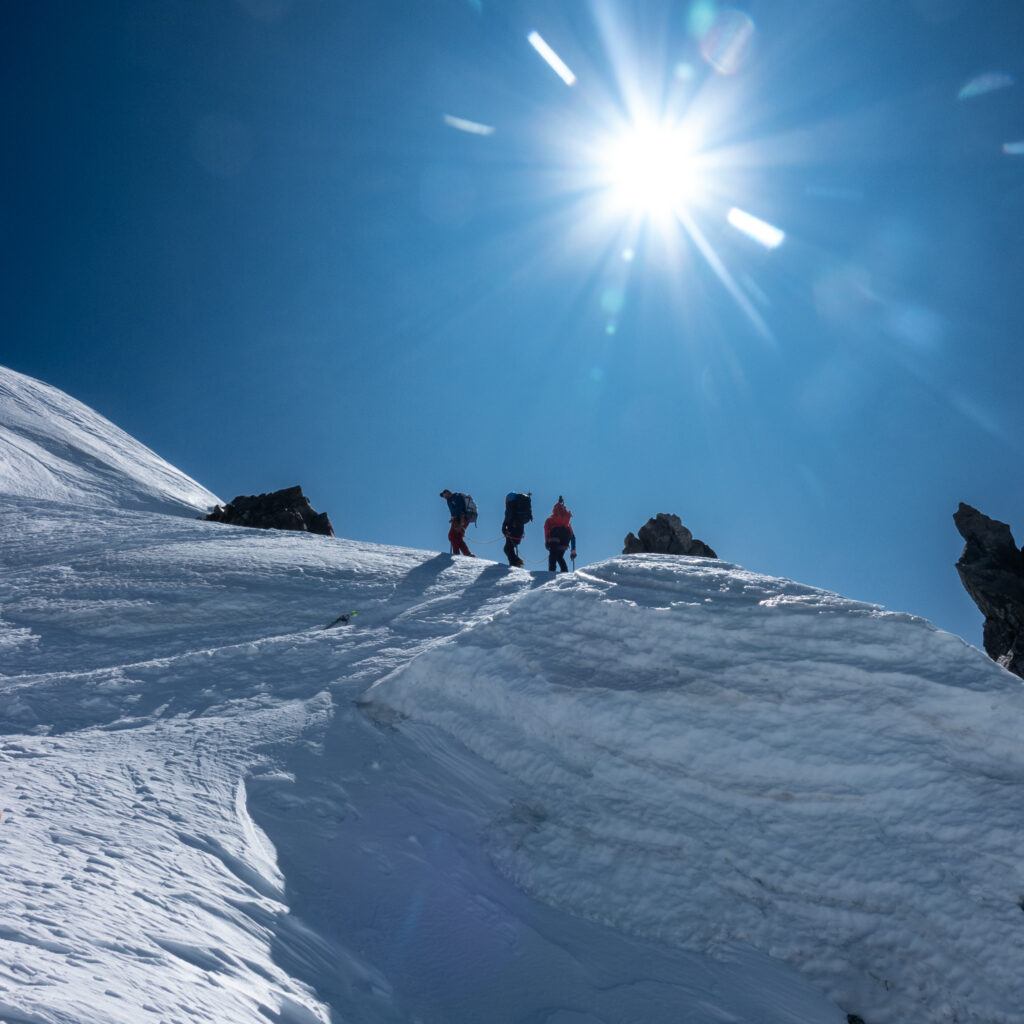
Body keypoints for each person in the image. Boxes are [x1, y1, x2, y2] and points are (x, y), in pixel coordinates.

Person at [544, 497, 576, 572]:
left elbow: (546, 531)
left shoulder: (550, 520)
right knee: (559, 556)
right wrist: (573, 549)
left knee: (553, 555)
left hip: (555, 536)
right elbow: (572, 536)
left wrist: (547, 543)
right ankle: (565, 572)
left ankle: (551, 572)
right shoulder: (567, 523)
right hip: (566, 536)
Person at [440, 489, 474, 557]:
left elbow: (460, 507)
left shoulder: (455, 497)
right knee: (457, 537)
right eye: (443, 496)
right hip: (462, 519)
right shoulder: (450, 500)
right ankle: (467, 554)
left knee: (452, 536)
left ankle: (457, 554)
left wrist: (455, 516)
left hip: (460, 519)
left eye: (445, 494)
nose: (444, 496)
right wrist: (453, 517)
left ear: (449, 492)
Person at [502, 491, 532, 567]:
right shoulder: (518, 508)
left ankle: (516, 563)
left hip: (512, 529)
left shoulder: (511, 505)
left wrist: (503, 528)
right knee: (509, 548)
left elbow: (508, 517)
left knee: (508, 548)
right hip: (519, 529)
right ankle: (515, 563)